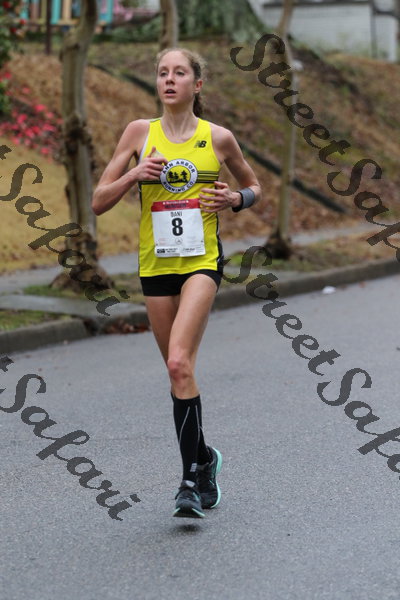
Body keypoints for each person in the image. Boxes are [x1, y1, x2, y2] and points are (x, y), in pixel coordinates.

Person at [92, 47, 261, 519]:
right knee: (178, 373)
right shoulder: (138, 133)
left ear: (196, 84)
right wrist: (134, 174)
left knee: (178, 361)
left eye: (179, 73)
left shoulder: (218, 137)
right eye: (162, 73)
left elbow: (254, 186)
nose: (169, 80)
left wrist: (235, 199)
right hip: (155, 266)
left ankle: (188, 484)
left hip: (202, 262)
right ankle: (205, 459)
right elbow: (98, 201)